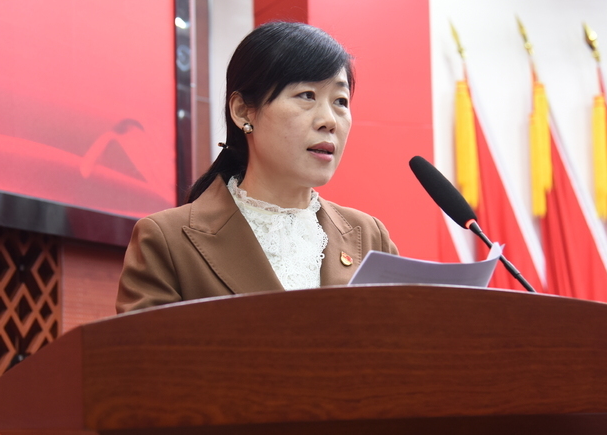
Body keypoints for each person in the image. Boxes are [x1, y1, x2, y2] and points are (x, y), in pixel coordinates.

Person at [116, 21, 397, 313]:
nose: (329, 121)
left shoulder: (369, 237)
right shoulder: (167, 240)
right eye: (307, 96)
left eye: (340, 101)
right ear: (242, 111)